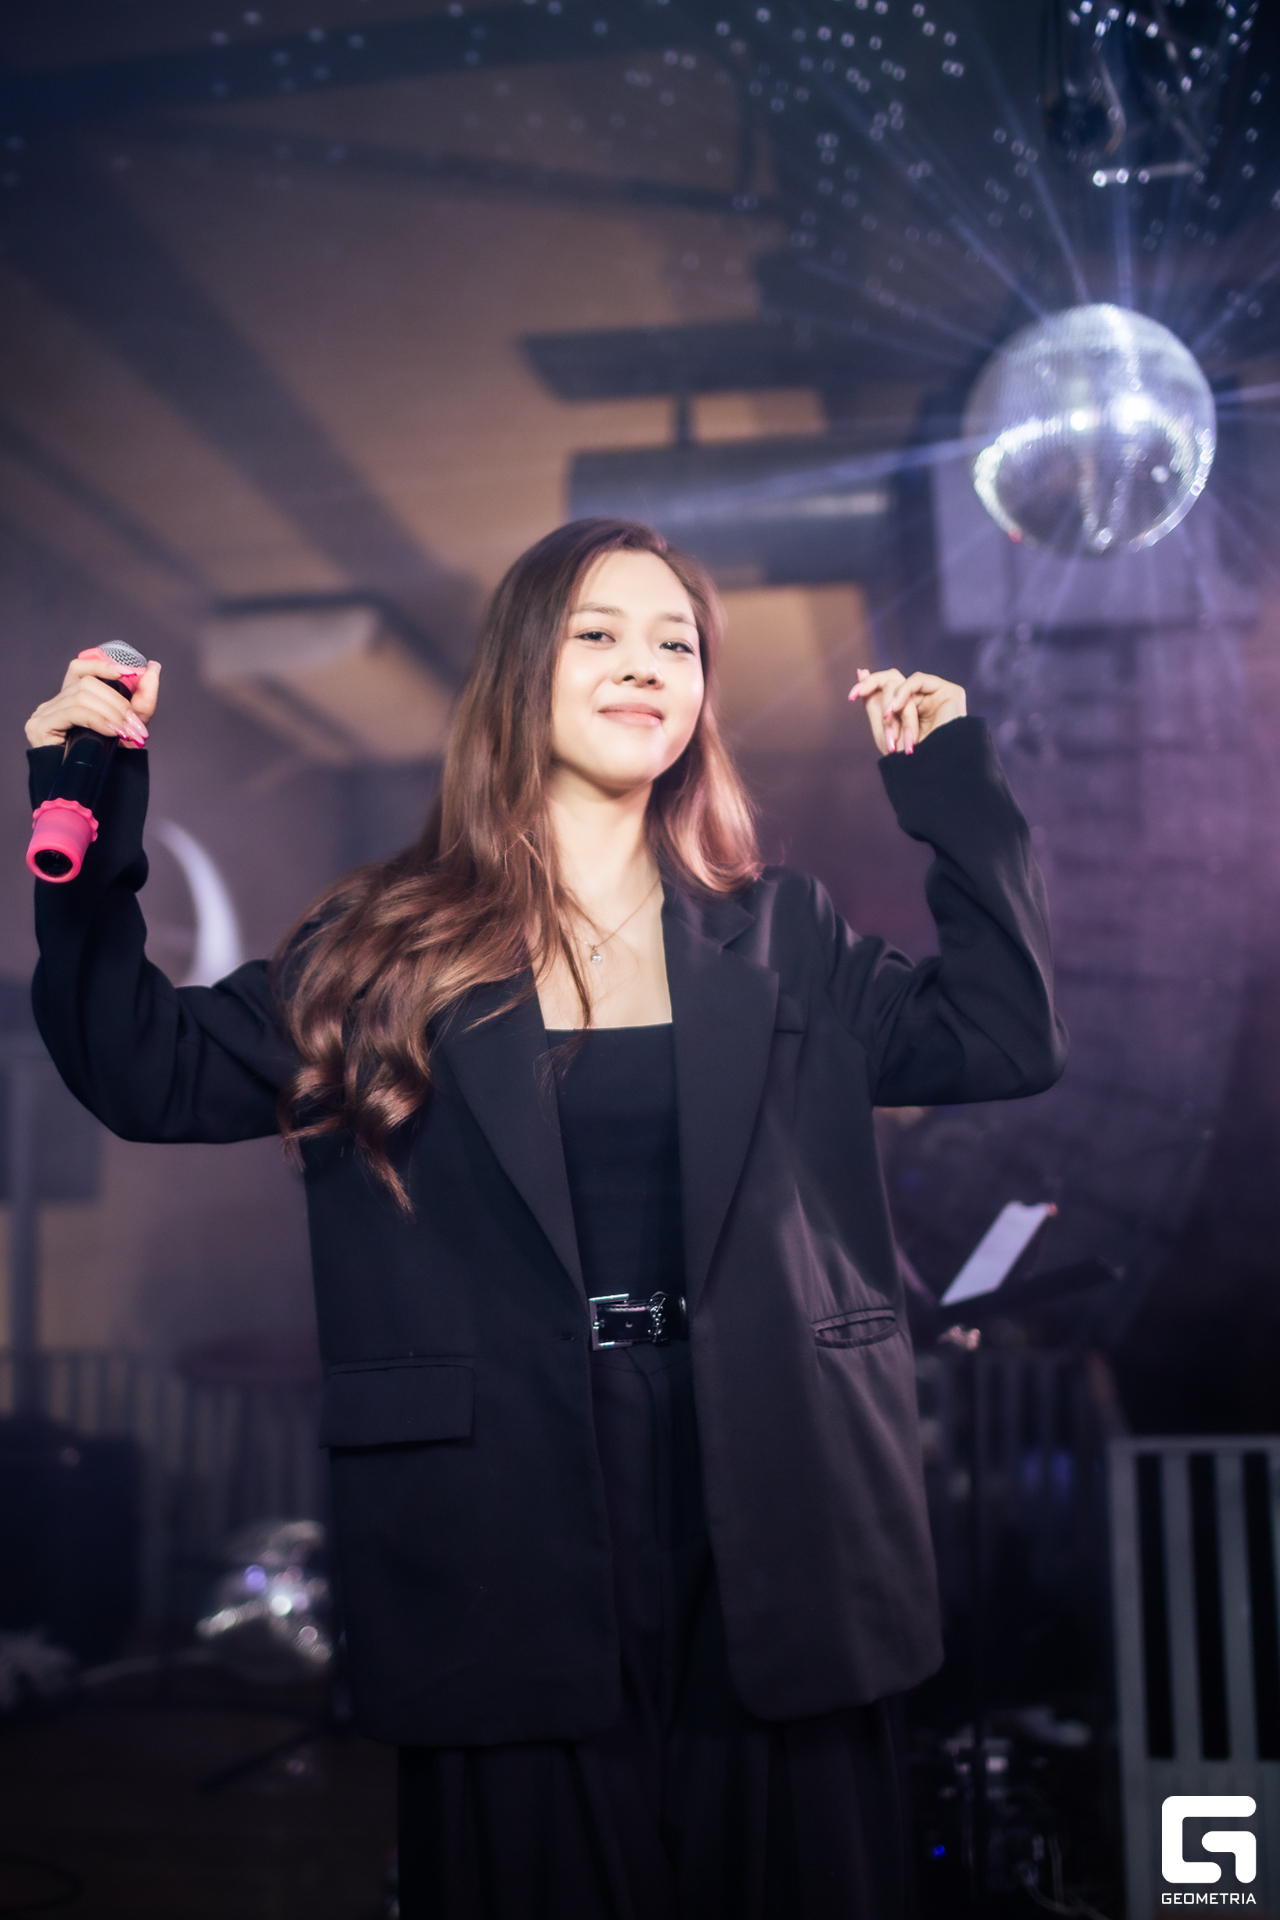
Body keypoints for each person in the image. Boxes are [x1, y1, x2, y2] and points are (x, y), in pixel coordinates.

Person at [24, 517, 1066, 1919]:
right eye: (599, 634)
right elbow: (141, 1068)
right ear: (522, 670)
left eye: (676, 644)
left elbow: (1005, 1034)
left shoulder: (785, 934)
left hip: (781, 1483)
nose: (645, 666)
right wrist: (92, 808)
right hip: (500, 1511)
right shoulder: (383, 947)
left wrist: (952, 789)